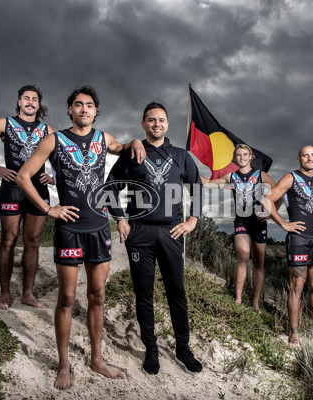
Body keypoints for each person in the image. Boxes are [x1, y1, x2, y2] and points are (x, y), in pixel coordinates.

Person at [15, 85, 145, 389]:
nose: (84, 109)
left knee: (97, 296)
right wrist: (49, 209)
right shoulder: (54, 139)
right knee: (68, 298)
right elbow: (23, 176)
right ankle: (64, 364)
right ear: (70, 110)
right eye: (78, 104)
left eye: (89, 105)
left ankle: (96, 359)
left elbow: (125, 146)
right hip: (69, 229)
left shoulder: (103, 138)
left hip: (99, 228)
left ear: (96, 111)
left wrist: (136, 139)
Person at [106, 102, 203, 376]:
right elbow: (112, 186)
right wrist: (121, 218)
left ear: (167, 124)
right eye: (151, 120)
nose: (156, 124)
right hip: (140, 232)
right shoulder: (133, 153)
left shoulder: (181, 156)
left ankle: (183, 349)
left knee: (177, 293)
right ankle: (150, 348)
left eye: (161, 120)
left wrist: (193, 218)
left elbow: (197, 185)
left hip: (173, 232)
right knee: (144, 294)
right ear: (143, 124)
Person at [0, 85, 54, 310]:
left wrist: (53, 176)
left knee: (33, 242)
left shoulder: (47, 129)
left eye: (34, 99)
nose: (30, 102)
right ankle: (5, 294)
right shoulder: (4, 124)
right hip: (12, 187)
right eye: (26, 98)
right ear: (19, 102)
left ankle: (28, 293)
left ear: (38, 104)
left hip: (38, 189)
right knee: (8, 239)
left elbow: (60, 158)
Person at [263, 145, 313, 349]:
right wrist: (283, 224)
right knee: (297, 287)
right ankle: (294, 332)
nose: (309, 158)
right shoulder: (290, 178)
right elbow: (267, 200)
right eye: (305, 155)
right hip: (299, 239)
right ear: (299, 159)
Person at [201, 144, 276, 312]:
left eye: (245, 154)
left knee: (258, 263)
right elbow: (210, 184)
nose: (242, 157)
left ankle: (256, 302)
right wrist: (190, 171)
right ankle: (238, 299)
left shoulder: (260, 175)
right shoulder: (231, 176)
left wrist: (270, 213)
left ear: (251, 157)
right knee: (243, 256)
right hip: (241, 222)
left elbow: (278, 191)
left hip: (259, 221)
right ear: (235, 158)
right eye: (238, 155)